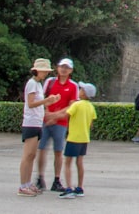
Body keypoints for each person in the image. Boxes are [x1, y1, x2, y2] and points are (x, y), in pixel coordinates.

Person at [17, 58, 59, 197]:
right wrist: (46, 100)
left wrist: (50, 101)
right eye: (45, 71)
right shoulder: (32, 84)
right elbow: (30, 103)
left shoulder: (38, 84)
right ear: (38, 70)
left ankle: (28, 183)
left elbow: (38, 103)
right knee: (27, 155)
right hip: (30, 122)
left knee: (32, 155)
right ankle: (23, 185)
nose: (46, 74)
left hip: (36, 122)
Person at [36, 57, 78, 192]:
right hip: (46, 120)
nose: (64, 69)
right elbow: (43, 99)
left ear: (70, 70)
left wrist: (55, 116)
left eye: (67, 67)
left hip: (60, 122)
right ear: (58, 68)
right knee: (42, 149)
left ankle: (56, 179)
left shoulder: (73, 86)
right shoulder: (50, 82)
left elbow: (71, 107)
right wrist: (47, 113)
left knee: (58, 151)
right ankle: (40, 177)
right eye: (62, 67)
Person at [49, 81, 97, 199]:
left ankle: (69, 188)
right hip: (84, 138)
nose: (79, 91)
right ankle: (80, 187)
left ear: (84, 94)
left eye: (81, 89)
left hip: (73, 137)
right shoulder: (91, 107)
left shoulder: (76, 104)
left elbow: (66, 115)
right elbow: (91, 124)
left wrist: (53, 117)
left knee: (67, 163)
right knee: (79, 163)